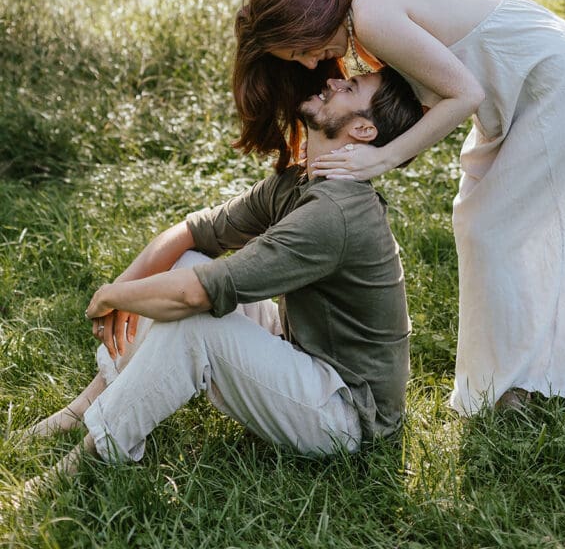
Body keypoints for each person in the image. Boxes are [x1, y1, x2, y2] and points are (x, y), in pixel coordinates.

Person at [233, 0, 565, 415]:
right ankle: (512, 380)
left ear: (307, 21)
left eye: (298, 49)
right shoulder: (366, 8)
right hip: (537, 85)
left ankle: (517, 384)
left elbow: (465, 93)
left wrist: (383, 157)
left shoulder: (370, 14)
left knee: (494, 230)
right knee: (483, 224)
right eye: (296, 60)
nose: (309, 62)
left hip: (562, 82)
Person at [19, 65, 423, 491]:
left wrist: (112, 294)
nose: (333, 81)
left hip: (350, 416)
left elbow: (200, 294)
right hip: (301, 345)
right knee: (188, 261)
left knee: (197, 322)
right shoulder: (300, 182)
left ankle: (82, 463)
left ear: (362, 129)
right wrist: (124, 287)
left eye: (351, 87)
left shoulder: (335, 214)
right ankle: (86, 407)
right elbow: (197, 232)